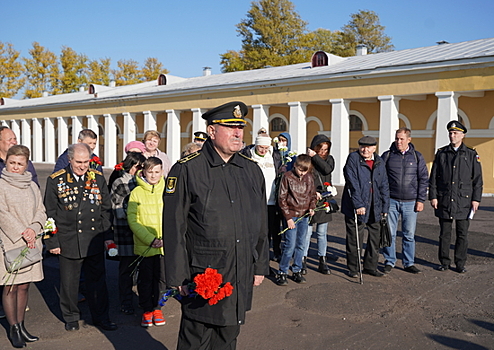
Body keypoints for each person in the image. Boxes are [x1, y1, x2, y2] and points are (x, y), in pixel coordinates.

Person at [163, 101, 269, 350]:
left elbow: (260, 222)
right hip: (203, 273)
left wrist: (260, 264)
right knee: (196, 340)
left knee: (228, 338)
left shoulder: (251, 170)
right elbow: (174, 226)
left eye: (240, 127)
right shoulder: (187, 169)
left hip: (239, 271)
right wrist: (177, 275)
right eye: (230, 127)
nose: (238, 133)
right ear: (211, 131)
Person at [44, 143, 117, 332]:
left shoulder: (97, 178)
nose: (83, 166)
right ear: (69, 160)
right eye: (79, 162)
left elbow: (106, 210)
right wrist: (52, 241)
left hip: (93, 238)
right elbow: (49, 213)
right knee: (69, 283)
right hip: (68, 239)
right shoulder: (56, 180)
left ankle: (101, 317)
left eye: (86, 162)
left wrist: (107, 237)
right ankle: (71, 316)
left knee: (98, 282)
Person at [0, 145, 46, 348]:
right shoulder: (1, 185)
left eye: (20, 164)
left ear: (27, 165)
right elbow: (2, 213)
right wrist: (22, 232)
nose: (15, 167)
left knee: (25, 285)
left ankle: (22, 325)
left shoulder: (32, 185)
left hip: (32, 242)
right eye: (12, 163)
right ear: (6, 162)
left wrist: (34, 229)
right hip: (11, 242)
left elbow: (41, 211)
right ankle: (14, 328)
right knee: (11, 286)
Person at [429, 121, 483, 273]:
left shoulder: (471, 154)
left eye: (456, 133)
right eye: (451, 133)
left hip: (464, 200)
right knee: (444, 234)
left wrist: (476, 199)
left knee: (462, 234)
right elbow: (433, 177)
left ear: (463, 135)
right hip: (445, 198)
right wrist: (433, 196)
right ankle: (444, 262)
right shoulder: (442, 153)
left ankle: (460, 263)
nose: (452, 136)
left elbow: (478, 179)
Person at [381, 128, 429, 274]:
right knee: (390, 233)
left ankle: (409, 263)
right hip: (391, 201)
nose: (398, 142)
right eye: (397, 138)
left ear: (409, 139)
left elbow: (423, 179)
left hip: (410, 202)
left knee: (409, 234)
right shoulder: (387, 155)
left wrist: (421, 200)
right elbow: (381, 178)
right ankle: (389, 260)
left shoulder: (416, 157)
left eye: (401, 139)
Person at [341, 136, 390, 278]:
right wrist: (358, 204)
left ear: (374, 148)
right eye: (362, 146)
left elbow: (384, 185)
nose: (365, 149)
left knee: (375, 238)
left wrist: (385, 207)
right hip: (356, 206)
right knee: (355, 238)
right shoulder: (353, 159)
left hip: (375, 205)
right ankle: (354, 268)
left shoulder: (379, 161)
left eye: (368, 147)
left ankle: (371, 266)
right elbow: (352, 183)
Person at [128, 157, 166, 328]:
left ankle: (158, 307)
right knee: (145, 280)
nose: (153, 175)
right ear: (143, 171)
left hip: (164, 246)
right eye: (150, 171)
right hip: (145, 246)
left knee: (161, 279)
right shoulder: (136, 192)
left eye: (157, 171)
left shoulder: (167, 189)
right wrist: (150, 239)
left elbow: (173, 215)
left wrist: (166, 237)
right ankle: (147, 310)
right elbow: (133, 220)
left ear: (162, 172)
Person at [110, 151, 146, 315]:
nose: (141, 170)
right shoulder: (120, 183)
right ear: (131, 166)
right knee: (126, 270)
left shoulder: (142, 183)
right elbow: (118, 210)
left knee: (143, 269)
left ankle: (142, 300)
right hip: (125, 233)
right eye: (139, 167)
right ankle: (125, 302)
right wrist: (137, 216)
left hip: (141, 233)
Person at [241, 128, 283, 262]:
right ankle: (256, 256)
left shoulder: (275, 155)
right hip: (254, 202)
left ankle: (276, 252)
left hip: (272, 200)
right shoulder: (248, 154)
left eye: (266, 147)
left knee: (274, 229)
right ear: (256, 145)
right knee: (258, 231)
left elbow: (279, 173)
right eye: (261, 147)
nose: (263, 150)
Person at [276, 154, 317, 286]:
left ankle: (297, 270)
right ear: (295, 165)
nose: (302, 173)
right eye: (300, 170)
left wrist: (312, 207)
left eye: (305, 170)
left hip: (304, 215)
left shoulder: (309, 178)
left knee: (301, 244)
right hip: (292, 215)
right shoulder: (287, 177)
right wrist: (288, 218)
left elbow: (312, 195)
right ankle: (282, 271)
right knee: (290, 245)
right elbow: (282, 199)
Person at [304, 134, 336, 275]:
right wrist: (312, 193)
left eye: (326, 149)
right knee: (307, 232)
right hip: (310, 199)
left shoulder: (329, 159)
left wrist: (315, 156)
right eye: (320, 149)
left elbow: (327, 170)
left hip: (324, 200)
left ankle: (322, 260)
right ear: (314, 148)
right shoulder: (307, 161)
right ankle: (302, 260)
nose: (323, 152)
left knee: (322, 233)